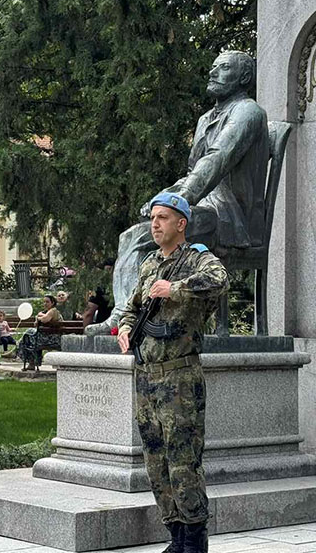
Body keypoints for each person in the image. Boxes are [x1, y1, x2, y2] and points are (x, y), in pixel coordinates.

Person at [89, 50, 267, 335]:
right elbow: (192, 171)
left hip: (230, 214)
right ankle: (129, 316)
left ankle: (129, 319)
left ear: (244, 76)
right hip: (203, 207)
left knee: (139, 237)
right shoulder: (206, 118)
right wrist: (164, 198)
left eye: (222, 68)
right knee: (130, 236)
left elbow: (216, 161)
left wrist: (178, 202)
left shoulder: (248, 112)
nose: (212, 72)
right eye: (212, 67)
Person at [116, 193, 227, 553]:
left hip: (180, 380)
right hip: (147, 378)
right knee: (156, 464)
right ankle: (175, 536)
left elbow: (220, 280)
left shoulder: (197, 259)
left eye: (163, 217)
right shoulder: (148, 264)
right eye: (153, 217)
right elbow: (132, 307)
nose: (155, 223)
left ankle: (195, 538)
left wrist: (175, 288)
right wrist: (125, 328)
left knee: (183, 462)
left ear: (181, 224)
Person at [16, 294, 62, 372]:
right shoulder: (48, 312)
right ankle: (31, 362)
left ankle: (29, 361)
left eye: (47, 302)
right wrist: (40, 316)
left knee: (28, 337)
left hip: (52, 339)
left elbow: (45, 319)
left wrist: (38, 317)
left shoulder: (53, 311)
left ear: (53, 303)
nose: (45, 304)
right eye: (44, 302)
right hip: (47, 338)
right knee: (29, 337)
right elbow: (37, 323)